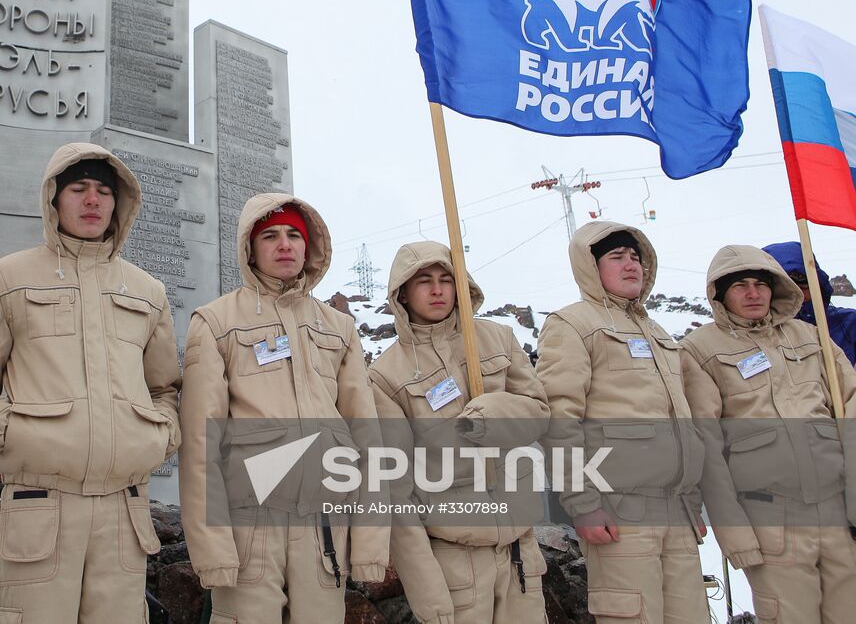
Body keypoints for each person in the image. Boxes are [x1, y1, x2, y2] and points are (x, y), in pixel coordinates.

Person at [0, 144, 180, 623]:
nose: (92, 201)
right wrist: (4, 430)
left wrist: (160, 435)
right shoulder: (5, 278)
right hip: (40, 503)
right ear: (53, 199)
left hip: (124, 509)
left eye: (104, 191)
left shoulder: (147, 291)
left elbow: (165, 387)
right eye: (78, 189)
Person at [179, 194, 388, 623]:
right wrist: (213, 547)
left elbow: (367, 436)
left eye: (294, 234)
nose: (285, 244)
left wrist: (369, 543)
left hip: (325, 525)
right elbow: (201, 444)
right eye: (270, 235)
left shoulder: (338, 327)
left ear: (308, 246)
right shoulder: (215, 322)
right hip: (251, 526)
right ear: (250, 248)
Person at [367, 241, 549, 623]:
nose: (437, 290)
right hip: (456, 566)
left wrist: (496, 414)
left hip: (522, 555)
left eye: (446, 279)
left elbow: (539, 414)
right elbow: (396, 491)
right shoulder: (386, 376)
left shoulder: (497, 338)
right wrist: (428, 596)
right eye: (424, 281)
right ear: (402, 292)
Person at [534, 221, 707, 623]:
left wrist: (692, 500)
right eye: (616, 257)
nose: (631, 265)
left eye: (635, 257)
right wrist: (581, 504)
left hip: (677, 511)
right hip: (620, 510)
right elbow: (560, 419)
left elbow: (683, 421)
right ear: (591, 267)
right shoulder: (572, 323)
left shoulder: (658, 332)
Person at [681, 244, 856, 624]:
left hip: (838, 511)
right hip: (770, 518)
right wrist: (734, 535)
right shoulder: (700, 350)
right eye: (740, 285)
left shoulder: (811, 336)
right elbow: (706, 448)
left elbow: (851, 407)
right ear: (720, 293)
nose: (753, 293)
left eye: (761, 283)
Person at [762, 241, 856, 364]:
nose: (798, 296)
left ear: (819, 286)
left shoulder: (849, 323)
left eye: (804, 287)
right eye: (787, 290)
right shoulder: (753, 335)